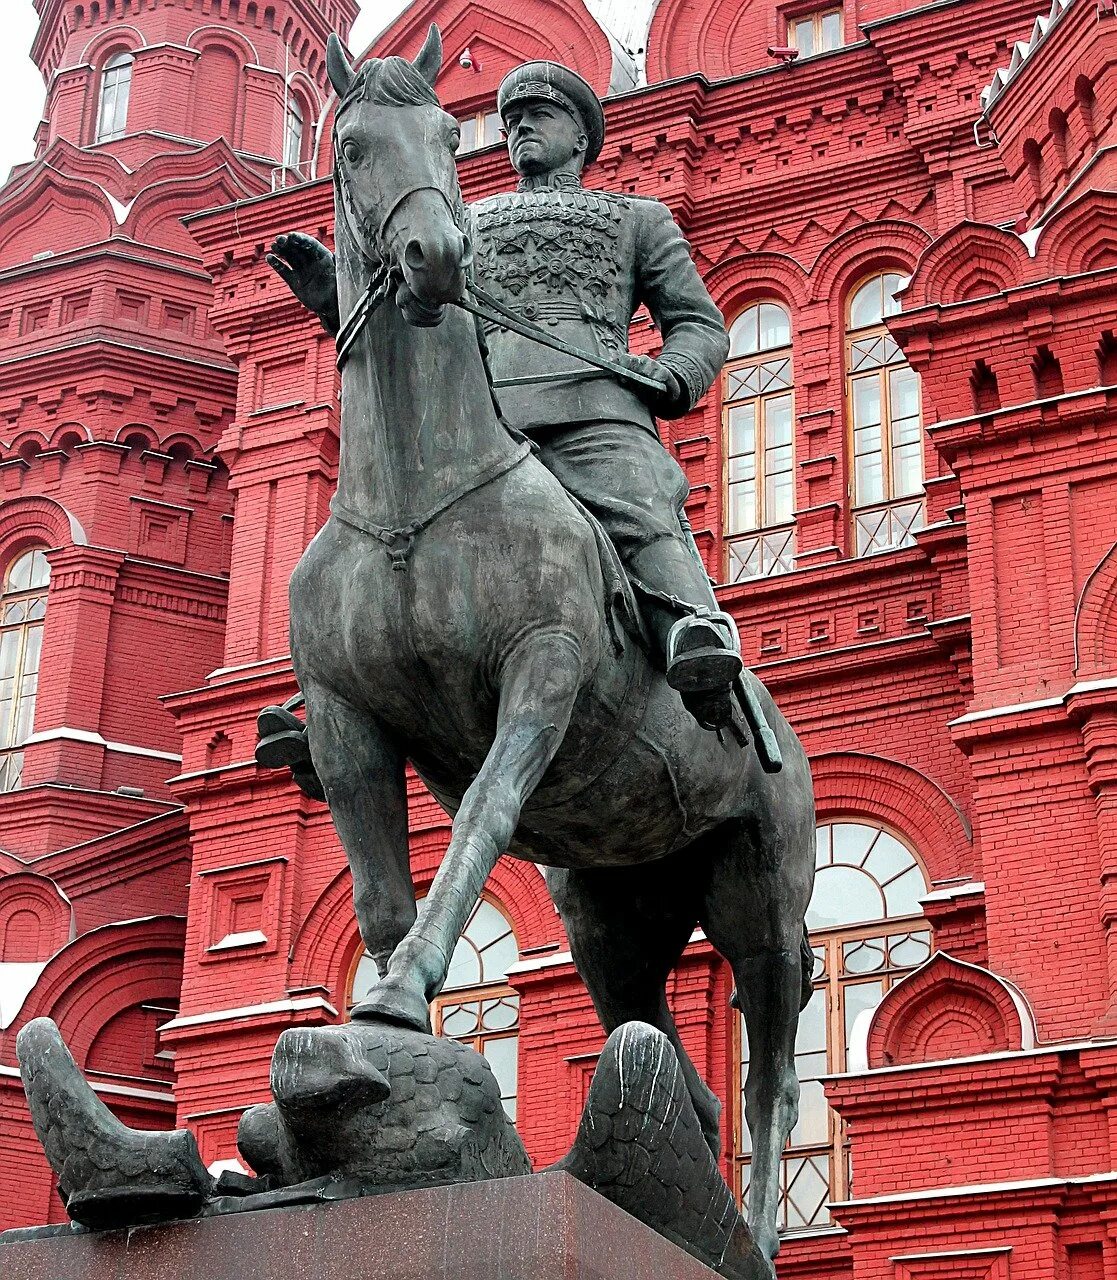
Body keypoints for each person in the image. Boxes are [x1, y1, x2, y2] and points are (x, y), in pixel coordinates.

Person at [269, 60, 741, 728]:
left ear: (580, 137)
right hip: (484, 426)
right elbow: (410, 317)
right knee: (391, 534)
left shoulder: (636, 218)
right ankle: (336, 687)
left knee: (639, 507)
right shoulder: (464, 223)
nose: (519, 127)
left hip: (594, 413)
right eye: (511, 118)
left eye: (538, 115)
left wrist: (674, 372)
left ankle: (695, 630)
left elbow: (696, 323)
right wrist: (333, 304)